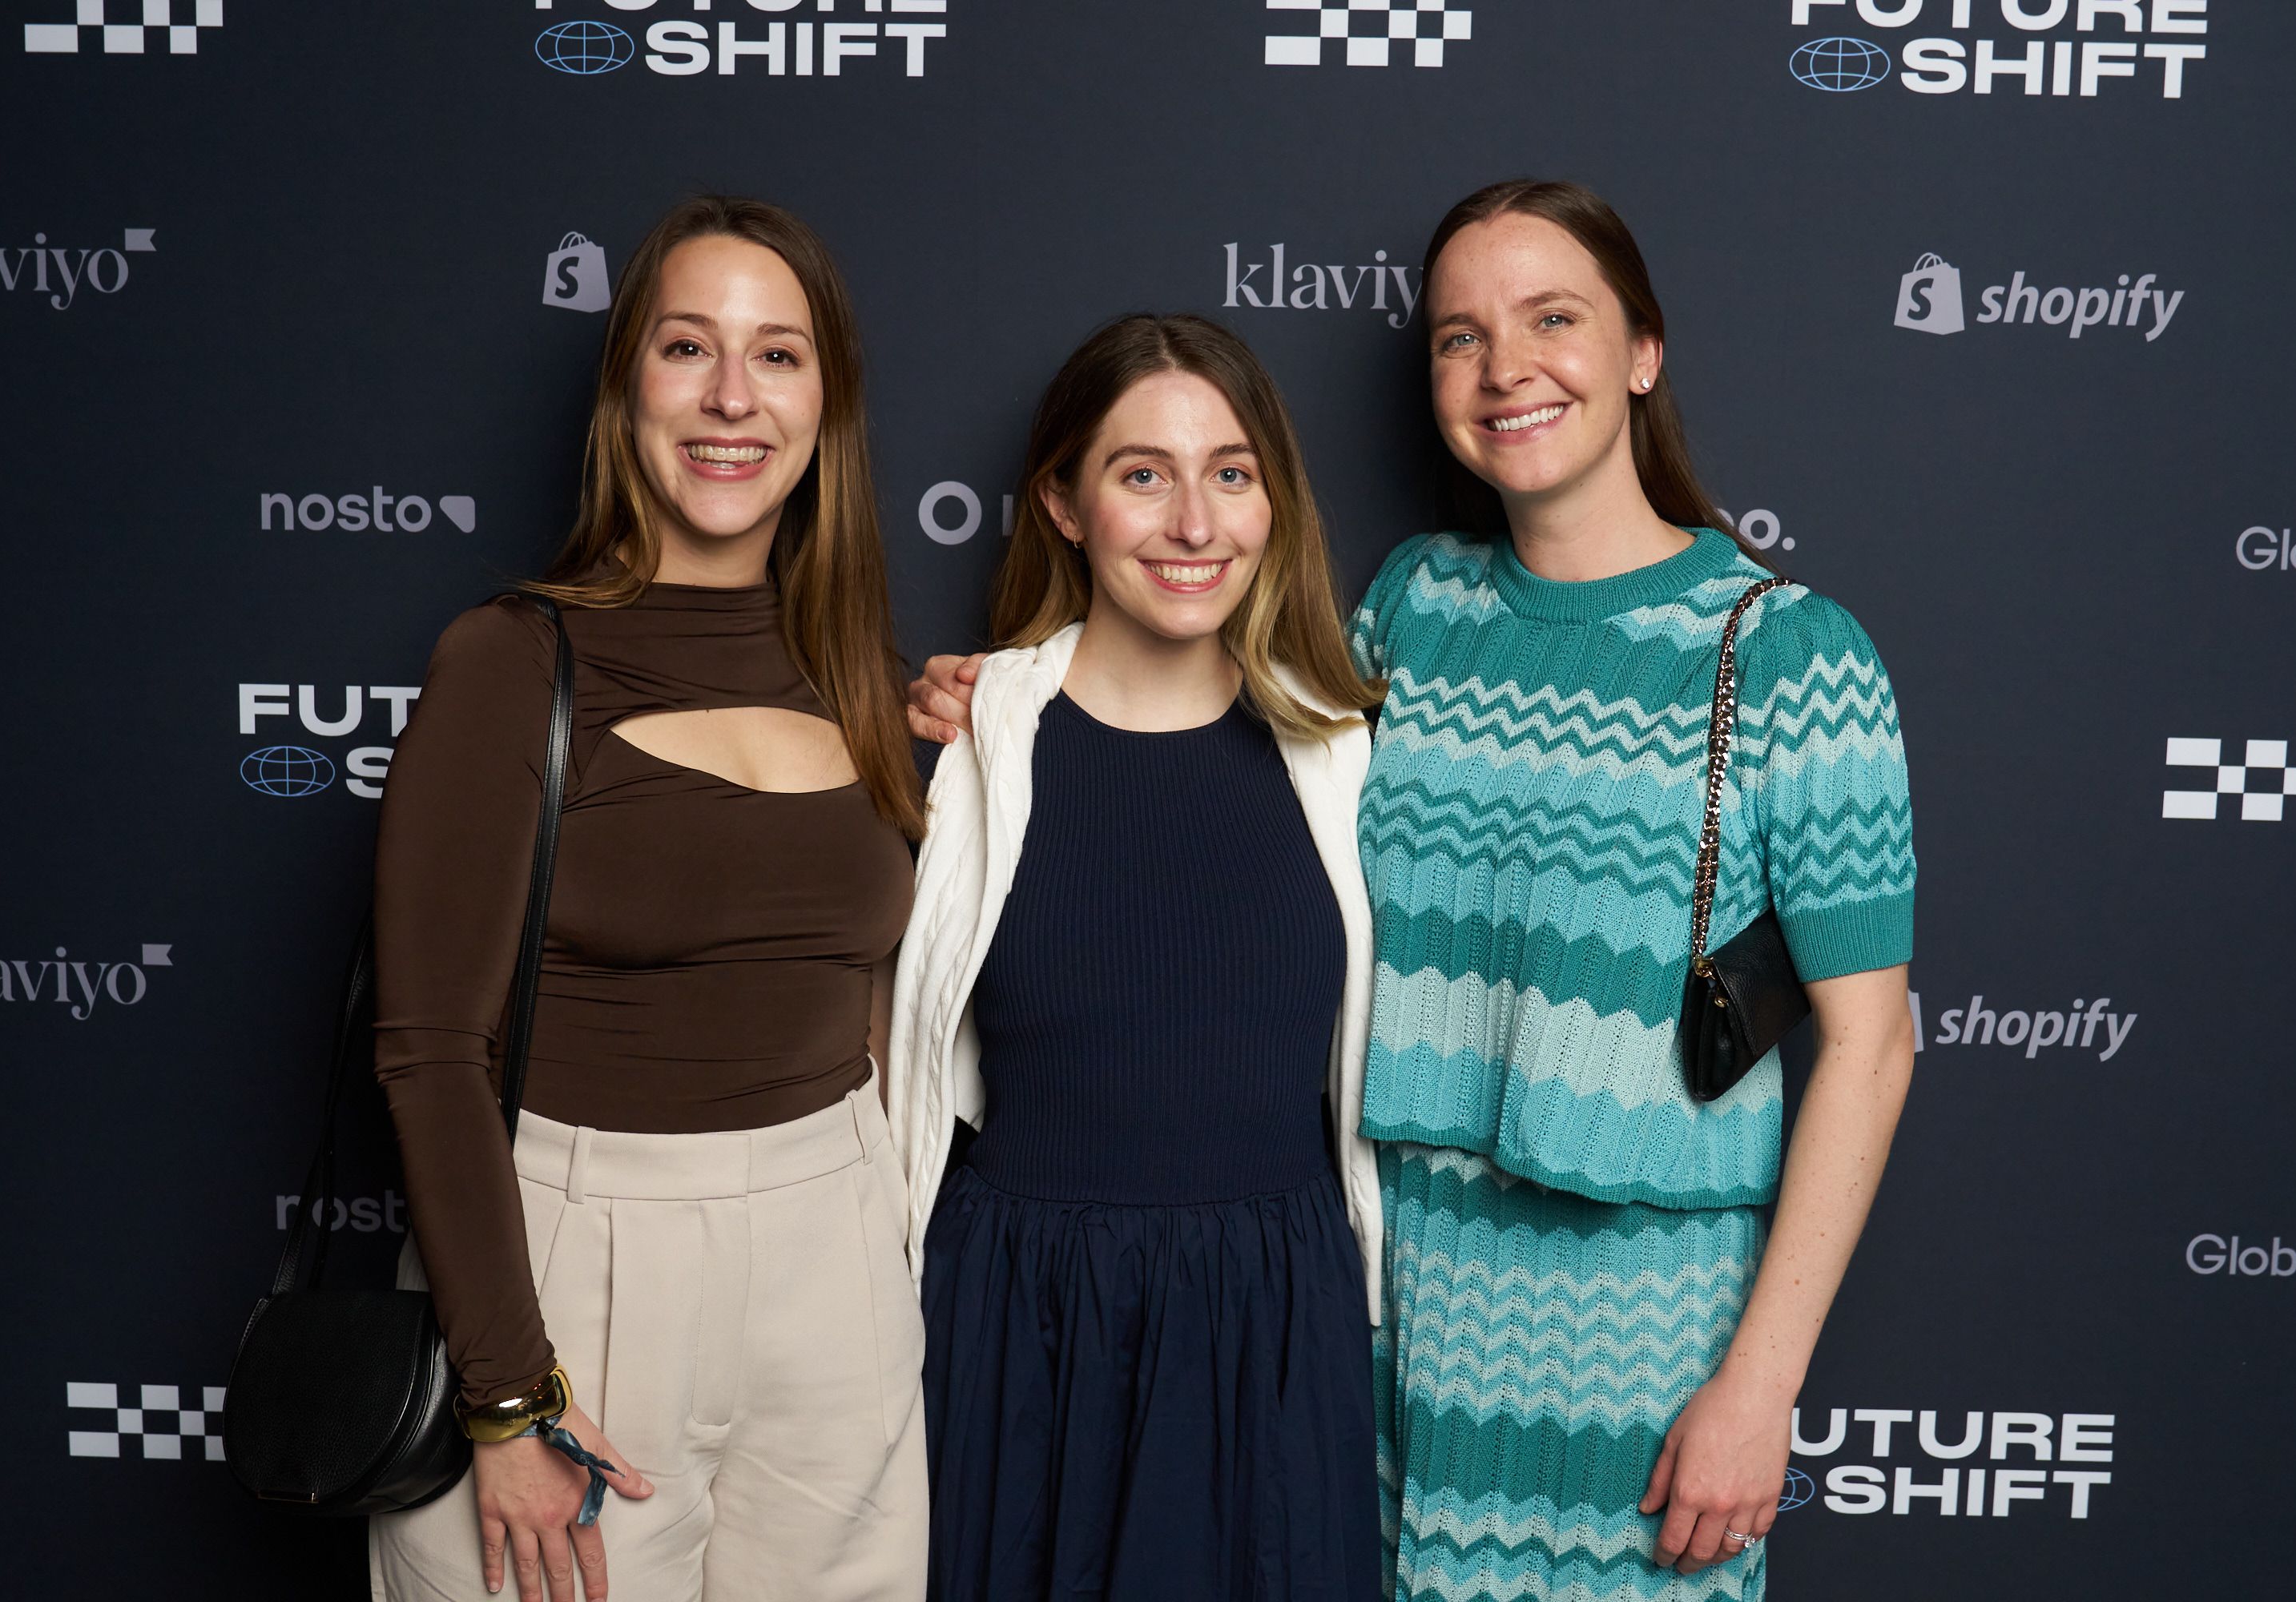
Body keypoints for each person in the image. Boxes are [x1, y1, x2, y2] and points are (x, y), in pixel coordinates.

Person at [908, 180, 1919, 1602]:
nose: (1507, 368)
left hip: (1637, 1341)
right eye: (1461, 336)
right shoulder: (1412, 611)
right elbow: (1195, 726)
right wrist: (1003, 699)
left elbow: (1873, 1042)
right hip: (1386, 1323)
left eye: (1552, 320)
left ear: (1643, 352)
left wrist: (1762, 1381)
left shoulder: (1796, 656)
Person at [369, 195, 927, 1602]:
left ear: (828, 406)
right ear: (627, 388)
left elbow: (872, 989)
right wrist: (506, 1395)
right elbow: (430, 1052)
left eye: (779, 355)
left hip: (836, 1258)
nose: (733, 396)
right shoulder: (512, 661)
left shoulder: (863, 673)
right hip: (574, 1264)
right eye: (688, 347)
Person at [885, 313, 1384, 1601]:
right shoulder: (967, 748)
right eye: (1143, 474)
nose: (1194, 523)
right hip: (1020, 1323)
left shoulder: (1344, 754)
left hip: (1274, 1324)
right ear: (1063, 502)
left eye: (1231, 473)